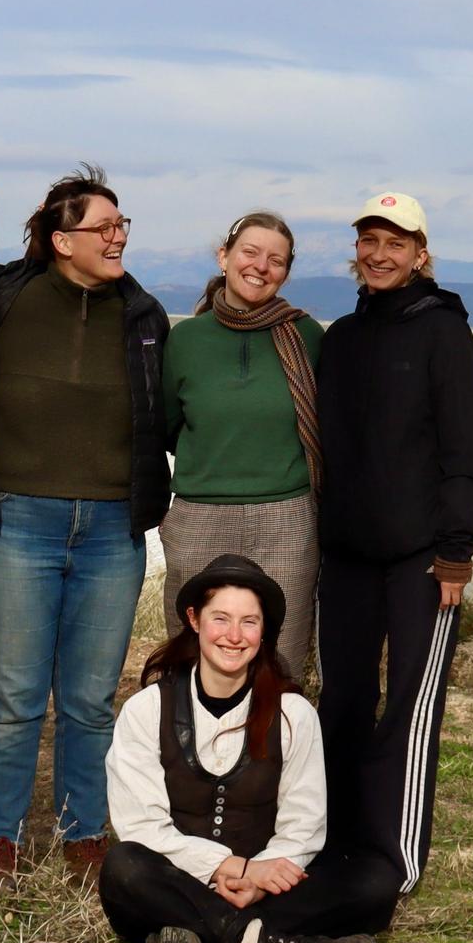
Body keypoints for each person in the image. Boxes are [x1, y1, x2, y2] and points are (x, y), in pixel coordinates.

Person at [0, 165, 170, 888]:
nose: (118, 237)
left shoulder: (144, 314)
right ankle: (0, 836)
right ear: (61, 239)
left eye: (122, 226)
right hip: (19, 518)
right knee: (16, 695)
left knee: (89, 697)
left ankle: (83, 830)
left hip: (114, 527)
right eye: (103, 227)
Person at [99, 554, 398, 943]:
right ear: (194, 620)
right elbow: (142, 828)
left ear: (264, 633)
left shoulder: (293, 713)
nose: (234, 636)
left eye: (249, 623)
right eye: (220, 618)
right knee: (124, 868)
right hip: (176, 878)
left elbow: (303, 826)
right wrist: (231, 868)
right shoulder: (146, 709)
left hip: (263, 888)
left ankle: (195, 932)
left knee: (375, 882)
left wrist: (259, 876)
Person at [315, 191, 473, 895]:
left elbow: (466, 447)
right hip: (347, 555)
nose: (380, 255)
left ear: (421, 254)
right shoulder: (343, 338)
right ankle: (335, 840)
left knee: (409, 708)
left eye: (396, 243)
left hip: (423, 559)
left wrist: (456, 549)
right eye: (369, 241)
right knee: (344, 701)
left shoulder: (445, 333)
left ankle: (397, 860)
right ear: (356, 252)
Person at [160, 212, 325, 678]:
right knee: (192, 652)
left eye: (276, 260)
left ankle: (271, 749)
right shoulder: (185, 339)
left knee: (282, 656)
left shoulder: (308, 337)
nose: (260, 266)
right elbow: (171, 425)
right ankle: (189, 748)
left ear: (286, 272)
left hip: (287, 516)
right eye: (250, 252)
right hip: (199, 515)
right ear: (225, 256)